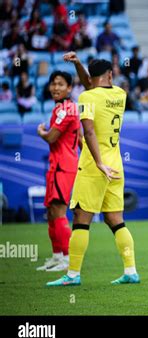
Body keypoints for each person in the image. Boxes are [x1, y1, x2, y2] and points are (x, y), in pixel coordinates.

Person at [47, 52, 139, 287]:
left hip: (94, 165)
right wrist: (78, 64)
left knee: (80, 218)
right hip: (116, 164)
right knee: (115, 219)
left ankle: (73, 274)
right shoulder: (120, 94)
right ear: (109, 74)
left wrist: (98, 162)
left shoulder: (86, 97)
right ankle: (131, 270)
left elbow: (87, 132)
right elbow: (93, 84)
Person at [36, 71, 82, 272]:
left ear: (69, 88)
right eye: (53, 84)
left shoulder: (66, 109)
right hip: (58, 166)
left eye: (60, 84)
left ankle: (67, 259)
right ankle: (57, 256)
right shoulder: (64, 109)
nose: (55, 87)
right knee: (51, 211)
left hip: (63, 166)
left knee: (59, 210)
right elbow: (80, 137)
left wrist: (42, 133)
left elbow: (52, 137)